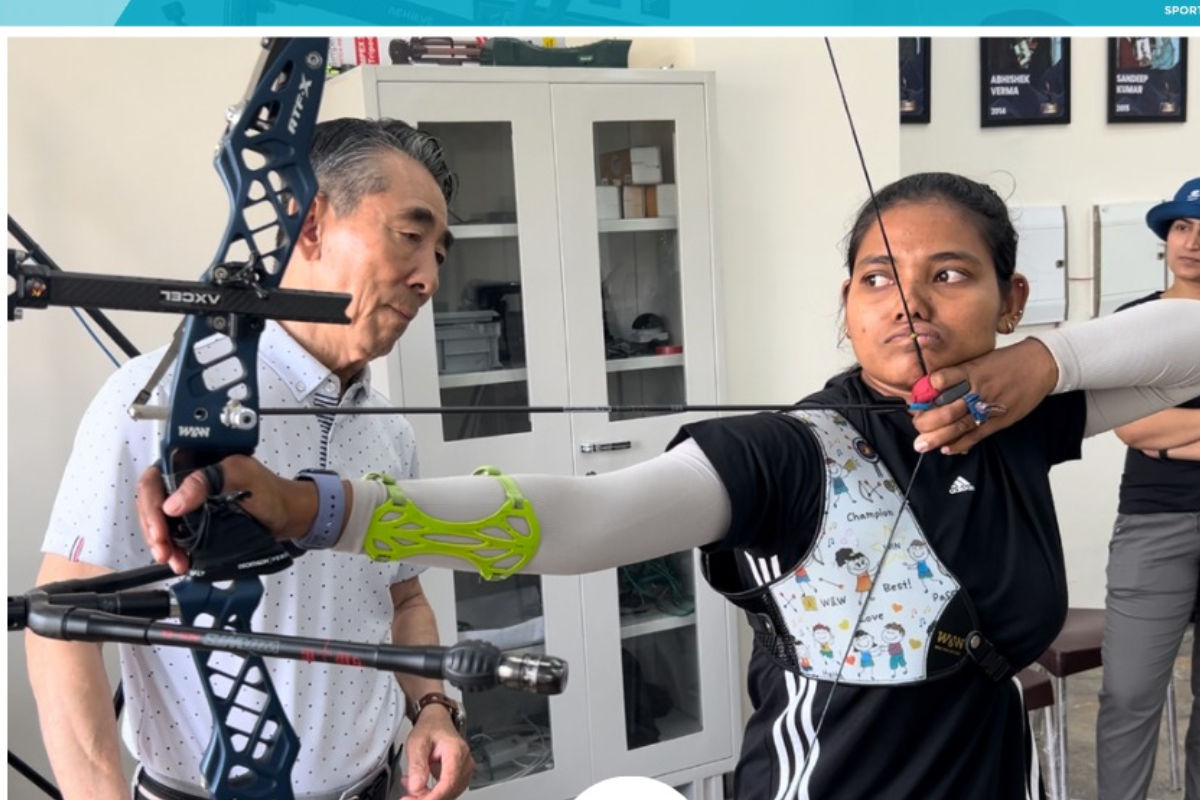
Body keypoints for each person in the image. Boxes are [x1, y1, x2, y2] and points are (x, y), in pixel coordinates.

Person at [140, 173, 1200, 799]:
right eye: (879, 277)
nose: (909, 302)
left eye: (949, 274)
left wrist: (1048, 362)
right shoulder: (788, 452)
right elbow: (587, 516)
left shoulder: (1019, 418)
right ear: (845, 303)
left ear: (1008, 296)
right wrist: (321, 507)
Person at [26, 118, 473, 800]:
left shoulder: (389, 430)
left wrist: (432, 710)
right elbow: (58, 628)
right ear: (311, 224)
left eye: (440, 252)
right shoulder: (156, 404)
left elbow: (404, 596)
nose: (428, 278)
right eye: (411, 237)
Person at [1096, 177, 1200, 800]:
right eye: (1183, 226)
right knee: (1130, 691)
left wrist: (1172, 435)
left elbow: (1156, 429)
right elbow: (1132, 427)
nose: (1193, 241)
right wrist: (1152, 433)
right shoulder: (1135, 322)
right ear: (1166, 237)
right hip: (1154, 522)